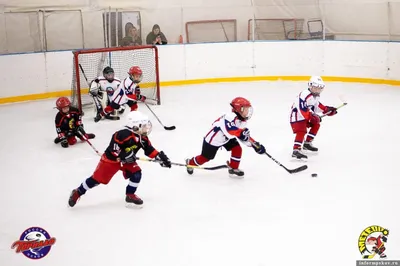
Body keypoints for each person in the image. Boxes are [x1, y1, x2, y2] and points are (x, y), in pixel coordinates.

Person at [68, 111, 172, 208]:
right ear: (135, 126)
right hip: (111, 161)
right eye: (144, 126)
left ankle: (130, 195)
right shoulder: (121, 135)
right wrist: (126, 155)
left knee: (136, 174)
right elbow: (114, 151)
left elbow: (149, 150)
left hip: (127, 161)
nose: (147, 128)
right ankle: (78, 192)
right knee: (96, 180)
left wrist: (159, 157)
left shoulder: (142, 137)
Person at [185, 97, 266, 178]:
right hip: (213, 140)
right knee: (205, 157)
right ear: (239, 109)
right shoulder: (228, 117)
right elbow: (231, 131)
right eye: (246, 109)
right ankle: (190, 163)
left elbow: (241, 136)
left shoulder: (242, 120)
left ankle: (233, 168)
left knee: (237, 148)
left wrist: (254, 145)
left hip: (227, 138)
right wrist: (242, 134)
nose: (248, 111)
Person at [289, 76, 337, 160]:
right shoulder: (304, 94)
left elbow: (316, 106)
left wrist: (327, 110)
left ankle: (307, 143)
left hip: (305, 116)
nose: (317, 90)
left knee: (316, 124)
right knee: (301, 131)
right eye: (315, 87)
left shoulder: (315, 96)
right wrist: (311, 117)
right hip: (297, 116)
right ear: (310, 85)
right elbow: (302, 109)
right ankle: (296, 150)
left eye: (319, 88)